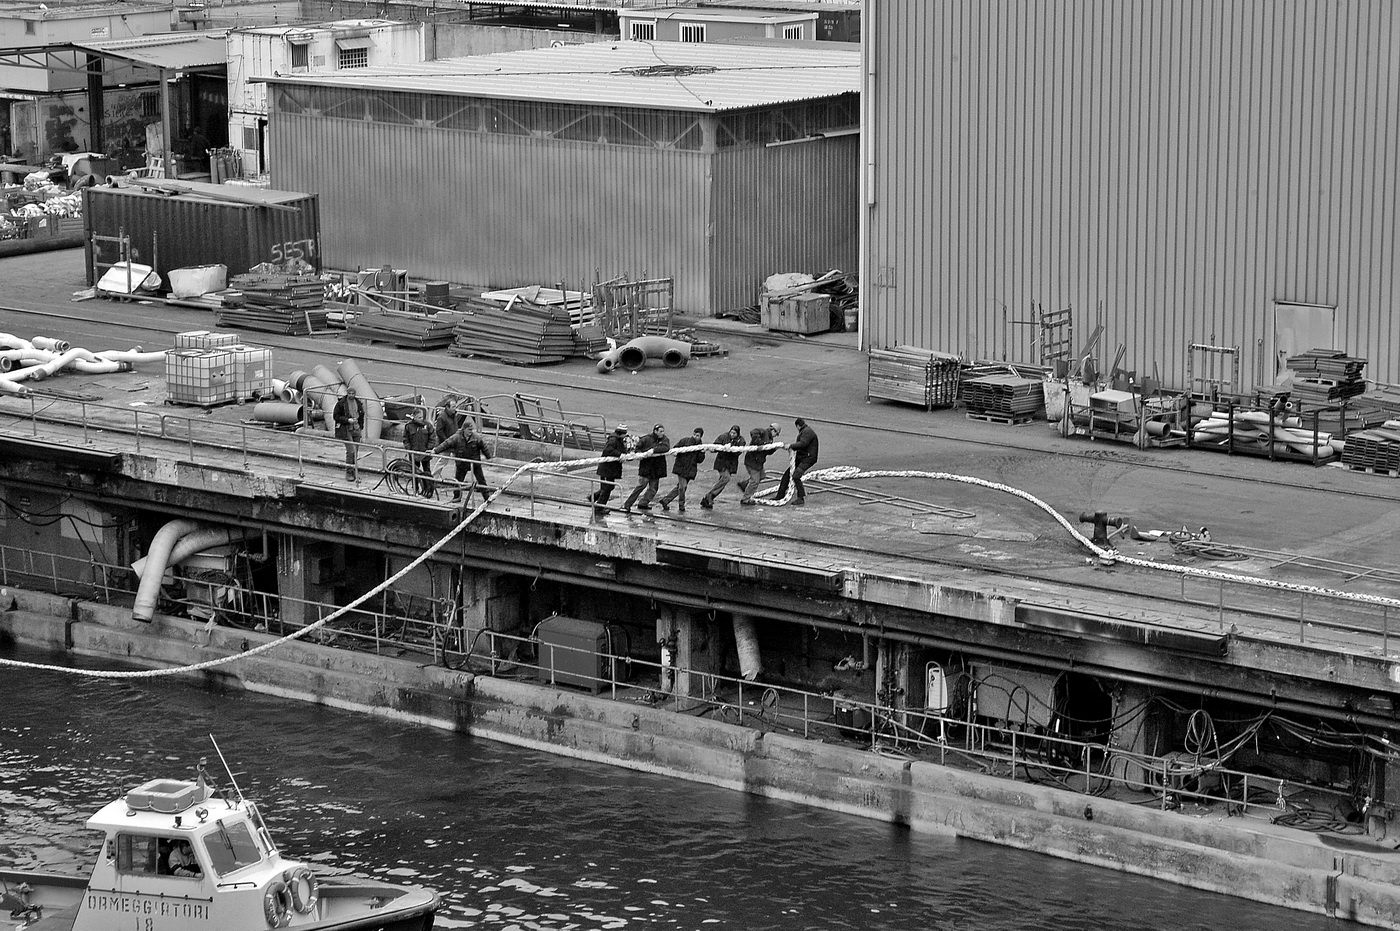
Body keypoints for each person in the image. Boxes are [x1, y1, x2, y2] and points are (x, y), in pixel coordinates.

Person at [433, 420, 492, 503]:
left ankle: (487, 498)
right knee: (458, 481)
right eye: (469, 430)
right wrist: (435, 451)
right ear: (464, 429)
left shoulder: (476, 437)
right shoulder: (456, 437)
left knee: (481, 480)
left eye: (472, 430)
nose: (471, 431)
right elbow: (446, 444)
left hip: (475, 463)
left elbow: (483, 447)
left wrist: (489, 457)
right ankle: (457, 497)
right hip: (462, 463)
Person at [622, 424, 670, 513]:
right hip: (646, 467)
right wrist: (640, 454)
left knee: (653, 489)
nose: (662, 433)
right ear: (655, 431)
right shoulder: (646, 439)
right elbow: (637, 448)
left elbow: (666, 447)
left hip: (656, 469)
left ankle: (643, 503)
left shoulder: (664, 439)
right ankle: (628, 504)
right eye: (660, 431)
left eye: (663, 431)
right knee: (641, 486)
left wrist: (653, 450)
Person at [774, 417, 819, 506]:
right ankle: (780, 495)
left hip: (807, 459)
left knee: (796, 476)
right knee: (787, 475)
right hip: (803, 457)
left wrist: (791, 446)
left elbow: (803, 443)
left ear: (798, 426)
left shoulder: (807, 432)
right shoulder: (806, 431)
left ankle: (801, 497)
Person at [658, 427, 705, 513]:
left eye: (697, 435)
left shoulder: (700, 447)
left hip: (690, 470)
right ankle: (681, 505)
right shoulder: (684, 441)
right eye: (694, 434)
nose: (695, 437)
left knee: (680, 487)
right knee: (683, 487)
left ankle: (665, 500)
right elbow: (675, 449)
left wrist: (702, 452)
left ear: (700, 436)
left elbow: (700, 460)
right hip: (681, 468)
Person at [700, 424, 743, 509]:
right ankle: (710, 495)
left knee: (723, 483)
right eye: (731, 432)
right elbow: (715, 447)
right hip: (722, 462)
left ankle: (709, 499)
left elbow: (739, 452)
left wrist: (731, 448)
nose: (732, 434)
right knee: (726, 478)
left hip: (731, 464)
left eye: (734, 433)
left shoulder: (740, 440)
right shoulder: (723, 437)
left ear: (737, 434)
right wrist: (720, 448)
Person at [738, 422, 780, 505]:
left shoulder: (769, 439)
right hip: (752, 461)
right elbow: (753, 432)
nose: (776, 436)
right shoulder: (763, 432)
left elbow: (767, 451)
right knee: (755, 481)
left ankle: (745, 484)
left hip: (758, 462)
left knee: (762, 476)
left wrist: (774, 448)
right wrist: (759, 443)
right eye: (776, 434)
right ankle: (746, 499)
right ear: (773, 430)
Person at [590, 424, 628, 516]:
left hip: (609, 468)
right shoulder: (613, 440)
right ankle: (599, 507)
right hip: (607, 469)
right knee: (607, 488)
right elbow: (608, 450)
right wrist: (620, 455)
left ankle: (593, 497)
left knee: (608, 487)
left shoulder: (617, 439)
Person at [332, 387, 365, 481]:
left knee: (355, 452)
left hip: (356, 429)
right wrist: (347, 420)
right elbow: (336, 416)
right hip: (346, 430)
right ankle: (349, 472)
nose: (351, 395)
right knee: (351, 451)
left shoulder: (358, 403)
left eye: (353, 393)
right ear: (347, 393)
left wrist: (360, 427)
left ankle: (354, 471)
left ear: (355, 394)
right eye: (349, 393)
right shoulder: (341, 403)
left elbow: (361, 415)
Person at [402, 408, 435, 497]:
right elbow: (405, 439)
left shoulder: (428, 425)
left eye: (422, 417)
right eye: (419, 417)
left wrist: (429, 448)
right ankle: (415, 488)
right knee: (414, 471)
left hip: (425, 453)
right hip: (414, 453)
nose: (421, 419)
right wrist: (409, 449)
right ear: (414, 417)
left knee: (427, 471)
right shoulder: (409, 426)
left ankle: (428, 489)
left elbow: (432, 438)